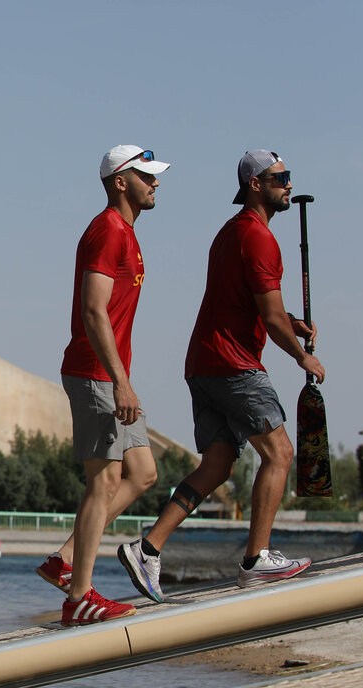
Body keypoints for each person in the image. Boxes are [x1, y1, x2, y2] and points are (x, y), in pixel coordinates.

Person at [118, 150, 325, 599]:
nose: (288, 184)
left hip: (203, 364)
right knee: (279, 454)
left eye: (289, 177)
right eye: (280, 178)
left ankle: (147, 548)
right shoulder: (260, 239)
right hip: (234, 364)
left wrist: (289, 320)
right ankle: (256, 560)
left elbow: (250, 303)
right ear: (255, 184)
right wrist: (300, 356)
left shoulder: (231, 233)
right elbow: (268, 320)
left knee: (217, 463)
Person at [36, 145, 168, 626]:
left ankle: (66, 559)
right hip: (95, 372)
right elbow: (93, 311)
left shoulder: (127, 234)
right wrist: (120, 383)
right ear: (120, 181)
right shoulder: (108, 230)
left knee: (143, 473)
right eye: (146, 176)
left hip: (110, 374)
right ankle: (80, 597)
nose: (155, 183)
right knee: (106, 479)